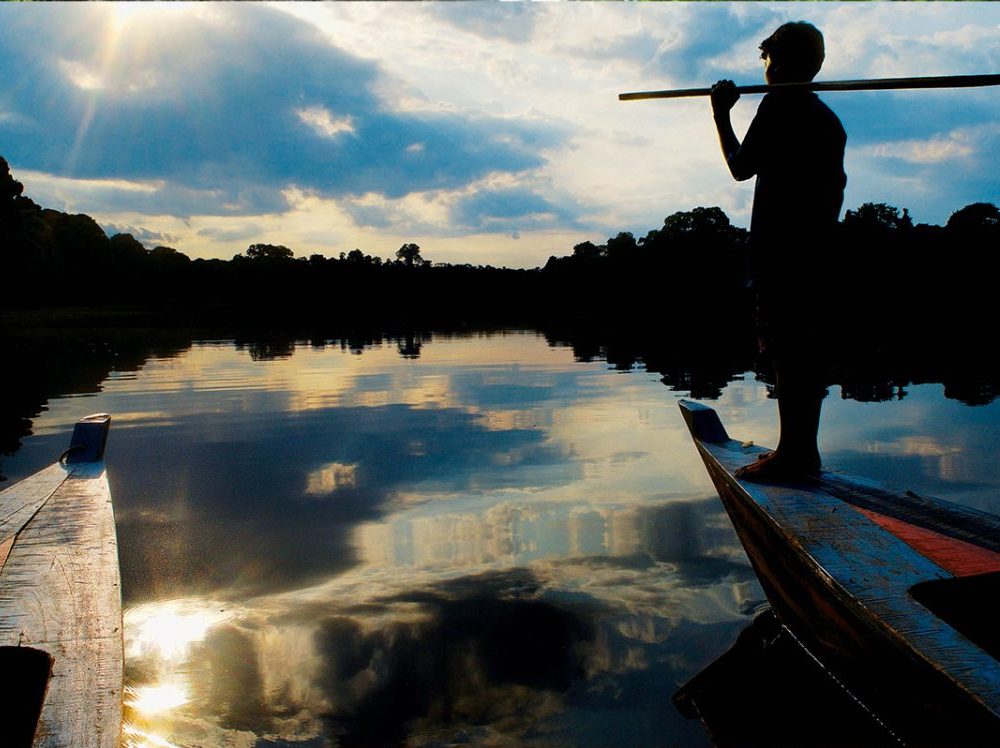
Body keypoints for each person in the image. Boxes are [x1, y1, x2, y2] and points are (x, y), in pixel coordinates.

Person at [710, 21, 847, 481]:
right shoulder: (828, 121)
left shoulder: (779, 107)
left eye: (766, 57)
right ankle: (801, 451)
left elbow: (739, 168)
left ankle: (797, 456)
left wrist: (720, 113)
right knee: (802, 353)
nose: (764, 67)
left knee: (790, 352)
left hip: (783, 253)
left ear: (779, 61)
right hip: (818, 254)